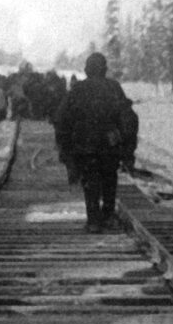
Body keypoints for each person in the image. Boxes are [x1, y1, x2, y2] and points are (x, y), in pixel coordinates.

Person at [55, 52, 133, 232]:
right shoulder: (114, 88)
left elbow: (62, 119)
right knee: (109, 180)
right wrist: (127, 147)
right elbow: (127, 119)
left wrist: (65, 148)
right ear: (104, 69)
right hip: (109, 145)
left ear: (87, 70)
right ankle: (107, 216)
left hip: (85, 145)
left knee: (90, 182)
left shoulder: (77, 89)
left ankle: (93, 221)